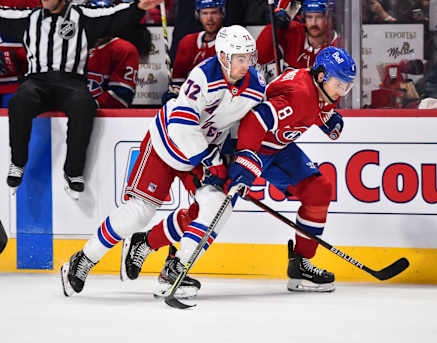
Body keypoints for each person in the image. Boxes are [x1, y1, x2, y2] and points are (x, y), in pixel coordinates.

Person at [124, 46, 356, 295]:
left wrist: (324, 116)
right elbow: (257, 119)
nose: (342, 91)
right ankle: (152, 246)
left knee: (318, 190)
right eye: (339, 84)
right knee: (211, 210)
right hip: (245, 146)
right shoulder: (301, 93)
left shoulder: (317, 87)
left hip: (276, 147)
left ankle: (300, 264)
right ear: (321, 76)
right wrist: (245, 157)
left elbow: (304, 105)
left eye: (347, 86)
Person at [60, 25, 264, 297]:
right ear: (224, 57)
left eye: (249, 56)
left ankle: (174, 268)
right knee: (139, 212)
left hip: (203, 153)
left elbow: (246, 125)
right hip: (168, 143)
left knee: (217, 207)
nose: (247, 63)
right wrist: (213, 160)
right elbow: (182, 126)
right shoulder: (203, 76)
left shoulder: (256, 85)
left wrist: (240, 159)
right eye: (241, 57)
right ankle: (84, 259)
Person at [0, 0, 162, 199]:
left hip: (71, 82)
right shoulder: (29, 17)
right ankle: (17, 162)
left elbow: (115, 15)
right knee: (19, 101)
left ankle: (73, 171)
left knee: (84, 105)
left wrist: (139, 6)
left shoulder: (83, 16)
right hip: (37, 82)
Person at [256, 0, 341, 77]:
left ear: (329, 18)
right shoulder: (294, 33)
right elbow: (260, 57)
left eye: (319, 17)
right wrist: (277, 24)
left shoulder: (339, 46)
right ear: (304, 17)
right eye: (309, 17)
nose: (314, 23)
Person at [170, 0, 225, 91]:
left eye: (214, 13)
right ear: (198, 15)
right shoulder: (187, 42)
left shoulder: (230, 41)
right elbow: (178, 81)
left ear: (222, 14)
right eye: (205, 13)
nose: (209, 18)